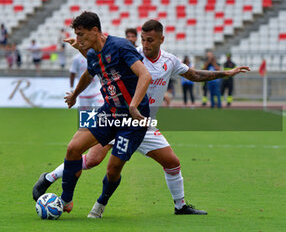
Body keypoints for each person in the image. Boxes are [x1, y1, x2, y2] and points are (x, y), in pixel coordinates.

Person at [33, 18, 250, 217]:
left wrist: (225, 73)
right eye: (143, 40)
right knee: (91, 159)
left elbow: (194, 75)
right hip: (114, 114)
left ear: (161, 40)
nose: (145, 44)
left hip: (143, 122)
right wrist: (84, 49)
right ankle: (51, 178)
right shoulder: (130, 52)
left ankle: (180, 205)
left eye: (150, 40)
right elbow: (99, 63)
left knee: (172, 163)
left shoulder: (170, 61)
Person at [34, 11, 152, 214]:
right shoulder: (91, 53)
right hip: (109, 112)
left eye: (81, 34)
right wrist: (74, 95)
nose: (78, 39)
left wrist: (133, 105)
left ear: (95, 31)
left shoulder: (120, 46)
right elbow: (89, 74)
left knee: (113, 169)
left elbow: (145, 75)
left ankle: (100, 204)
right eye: (77, 35)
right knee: (73, 148)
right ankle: (66, 200)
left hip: (133, 118)